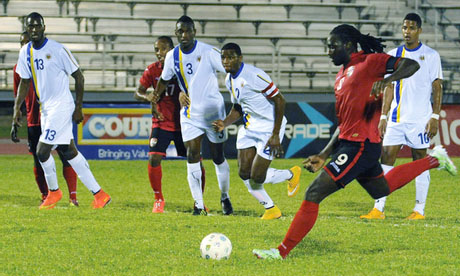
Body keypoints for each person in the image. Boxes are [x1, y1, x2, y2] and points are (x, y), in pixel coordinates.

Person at [252, 24, 457, 259]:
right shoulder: (341, 76)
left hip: (360, 146)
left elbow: (412, 64)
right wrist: (325, 153)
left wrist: (389, 79)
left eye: (332, 46)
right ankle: (435, 159)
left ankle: (280, 252)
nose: (328, 51)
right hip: (353, 144)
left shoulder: (369, 62)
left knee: (314, 192)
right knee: (382, 189)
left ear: (348, 45)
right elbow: (345, 123)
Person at [13, 12, 111, 209]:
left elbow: (79, 77)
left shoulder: (57, 49)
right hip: (46, 108)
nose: (34, 30)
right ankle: (100, 194)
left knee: (42, 151)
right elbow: (24, 81)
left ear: (44, 27)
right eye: (30, 26)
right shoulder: (25, 52)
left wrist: (78, 107)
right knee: (69, 151)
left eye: (37, 26)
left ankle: (54, 192)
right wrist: (17, 108)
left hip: (62, 106)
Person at [360, 13, 443, 220]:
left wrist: (435, 116)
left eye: (412, 28)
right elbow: (388, 87)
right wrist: (383, 117)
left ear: (420, 30)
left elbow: (437, 86)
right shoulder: (393, 54)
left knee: (419, 162)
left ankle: (419, 210)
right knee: (386, 159)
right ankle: (378, 209)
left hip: (420, 120)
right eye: (405, 28)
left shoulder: (431, 55)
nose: (407, 32)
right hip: (396, 120)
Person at [152, 15, 232, 216]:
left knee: (218, 156)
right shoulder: (172, 56)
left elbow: (230, 71)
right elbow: (164, 79)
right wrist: (155, 98)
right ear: (176, 33)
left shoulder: (208, 51)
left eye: (188, 31)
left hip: (213, 113)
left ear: (195, 31)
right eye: (181, 31)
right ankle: (198, 204)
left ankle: (224, 196)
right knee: (192, 154)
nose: (185, 35)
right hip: (189, 113)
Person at [213, 43, 301, 220]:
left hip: (269, 129)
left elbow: (280, 101)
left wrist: (275, 134)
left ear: (240, 58)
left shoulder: (254, 75)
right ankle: (271, 209)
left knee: (257, 177)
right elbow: (238, 107)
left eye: (230, 57)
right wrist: (225, 122)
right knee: (244, 173)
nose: (226, 61)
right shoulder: (229, 79)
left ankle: (291, 174)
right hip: (249, 128)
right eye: (223, 57)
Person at [134, 36, 206, 213]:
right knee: (153, 158)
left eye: (163, 49)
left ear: (172, 49)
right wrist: (148, 97)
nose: (159, 53)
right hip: (161, 121)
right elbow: (138, 92)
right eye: (156, 50)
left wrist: (185, 92)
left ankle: (199, 201)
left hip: (185, 122)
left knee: (196, 160)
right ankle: (158, 199)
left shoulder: (182, 66)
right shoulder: (152, 70)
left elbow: (201, 86)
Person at [11, 31, 79, 206]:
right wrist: (16, 112)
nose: (25, 45)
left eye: (27, 42)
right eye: (22, 43)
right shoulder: (19, 67)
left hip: (54, 114)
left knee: (66, 153)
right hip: (34, 118)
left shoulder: (49, 58)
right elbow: (19, 92)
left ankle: (73, 197)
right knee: (38, 157)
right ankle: (46, 195)